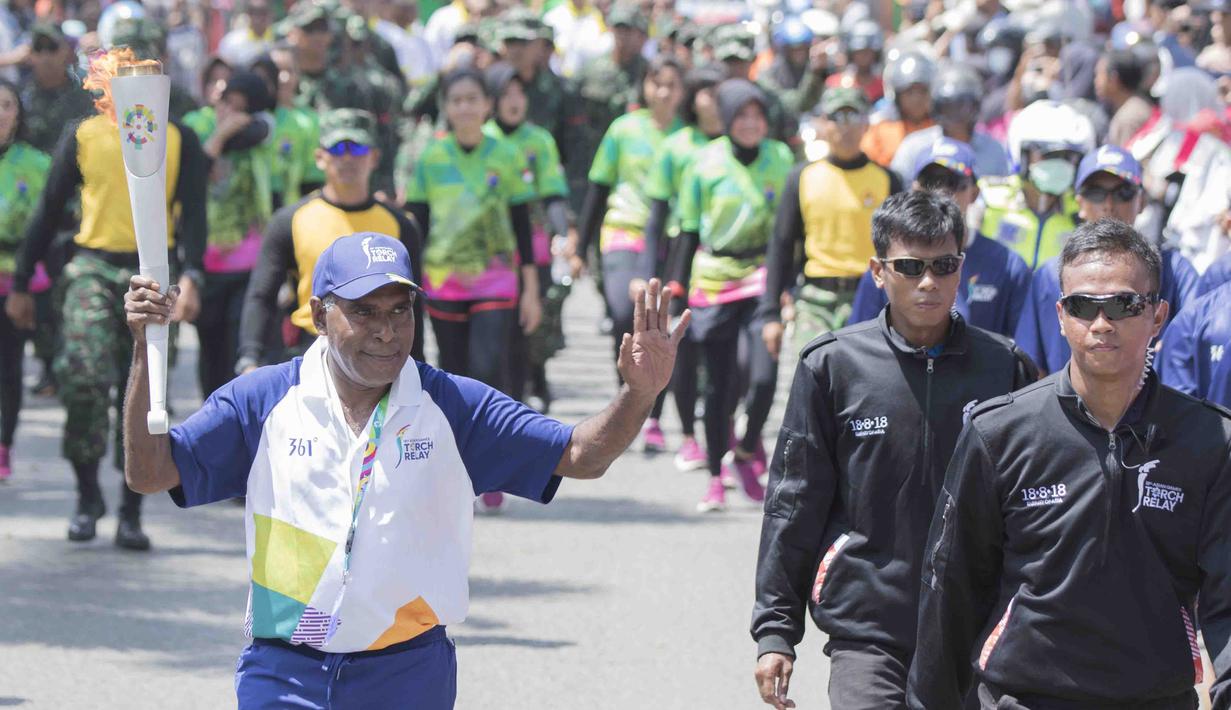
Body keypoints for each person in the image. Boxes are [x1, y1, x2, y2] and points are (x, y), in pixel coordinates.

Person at [121, 233, 690, 709]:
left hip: (406, 674)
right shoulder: (263, 400)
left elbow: (579, 455)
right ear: (320, 314)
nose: (387, 331)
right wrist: (146, 350)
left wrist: (637, 395)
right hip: (284, 672)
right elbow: (150, 473)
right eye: (364, 311)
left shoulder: (453, 408)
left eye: (400, 310)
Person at [907, 219, 1231, 709]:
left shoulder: (1211, 441)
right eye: (1083, 306)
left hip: (1156, 698)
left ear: (1158, 316)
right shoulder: (999, 433)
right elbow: (952, 588)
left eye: (1123, 304)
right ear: (1060, 315)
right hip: (1024, 697)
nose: (1101, 323)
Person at [753, 191, 1037, 710]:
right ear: (878, 272)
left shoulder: (1006, 368)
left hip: (972, 634)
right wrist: (776, 630)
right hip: (867, 627)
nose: (928, 282)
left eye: (943, 265)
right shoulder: (832, 367)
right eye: (909, 266)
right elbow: (794, 503)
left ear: (961, 269)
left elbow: (1030, 508)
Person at [4, 48, 208, 550]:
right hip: (93, 267)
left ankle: (132, 512)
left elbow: (196, 216)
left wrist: (194, 275)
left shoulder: (181, 138)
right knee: (85, 380)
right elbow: (50, 211)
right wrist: (25, 279)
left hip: (152, 273)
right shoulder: (83, 134)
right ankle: (87, 496)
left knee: (142, 391)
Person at [664, 78, 794, 511]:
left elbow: (791, 231)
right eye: (741, 115)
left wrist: (788, 285)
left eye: (757, 115)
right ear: (727, 120)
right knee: (719, 386)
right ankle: (717, 475)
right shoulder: (704, 163)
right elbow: (686, 230)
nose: (751, 123)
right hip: (714, 278)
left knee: (762, 377)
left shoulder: (781, 158)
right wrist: (675, 292)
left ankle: (746, 449)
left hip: (763, 275)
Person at [238, 108, 423, 372]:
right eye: (337, 149)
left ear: (374, 157)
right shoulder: (291, 220)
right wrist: (250, 357)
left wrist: (416, 366)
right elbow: (261, 295)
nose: (347, 158)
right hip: (310, 350)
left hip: (381, 348)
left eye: (357, 149)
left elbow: (414, 305)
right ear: (320, 157)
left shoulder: (400, 225)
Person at [404, 68, 540, 398]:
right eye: (456, 101)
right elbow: (415, 225)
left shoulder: (507, 154)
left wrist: (531, 291)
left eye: (472, 100)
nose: (464, 108)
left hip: (496, 279)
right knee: (452, 371)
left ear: (487, 105)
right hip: (442, 280)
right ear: (446, 107)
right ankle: (456, 445)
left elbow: (523, 225)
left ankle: (490, 444)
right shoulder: (430, 157)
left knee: (487, 368)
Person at [573, 55, 683, 452]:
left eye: (672, 84)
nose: (664, 92)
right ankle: (628, 396)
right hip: (622, 230)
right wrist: (581, 247)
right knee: (624, 312)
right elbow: (598, 188)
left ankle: (653, 416)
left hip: (668, 237)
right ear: (645, 87)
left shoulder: (688, 136)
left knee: (662, 323)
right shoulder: (623, 129)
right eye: (657, 83)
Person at [1015, 145, 1197, 374]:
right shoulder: (1051, 274)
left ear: (1141, 201)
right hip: (1066, 404)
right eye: (1096, 192)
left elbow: (1194, 347)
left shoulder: (1176, 270)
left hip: (1154, 405)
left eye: (1123, 192)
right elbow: (1033, 366)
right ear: (1079, 202)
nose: (1109, 204)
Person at [759, 87, 902, 359]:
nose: (845, 128)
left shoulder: (887, 180)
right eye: (837, 117)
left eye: (854, 117)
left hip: (869, 298)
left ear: (866, 124)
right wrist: (770, 314)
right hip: (815, 300)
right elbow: (781, 245)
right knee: (811, 382)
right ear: (823, 124)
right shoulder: (802, 177)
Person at [850, 138, 1031, 337]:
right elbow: (859, 341)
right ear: (915, 189)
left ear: (974, 192)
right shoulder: (891, 263)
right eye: (931, 182)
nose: (941, 193)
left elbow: (1022, 349)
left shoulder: (1008, 266)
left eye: (953, 183)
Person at [643, 63, 725, 472]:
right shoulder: (676, 146)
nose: (712, 99)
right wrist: (648, 268)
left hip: (729, 260)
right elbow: (657, 214)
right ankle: (690, 434)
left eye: (718, 91)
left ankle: (719, 426)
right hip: (681, 253)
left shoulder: (741, 143)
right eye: (704, 91)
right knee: (686, 347)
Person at [481, 62, 570, 413]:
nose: (515, 101)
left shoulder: (539, 139)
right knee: (499, 331)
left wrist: (562, 232)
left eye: (520, 93)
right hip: (490, 254)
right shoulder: (481, 138)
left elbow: (553, 194)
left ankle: (536, 380)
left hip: (533, 247)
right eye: (506, 94)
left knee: (532, 323)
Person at [184, 71, 276, 399]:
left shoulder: (263, 128)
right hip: (208, 262)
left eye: (240, 108)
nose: (232, 114)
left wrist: (232, 130)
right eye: (227, 104)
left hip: (249, 263)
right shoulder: (196, 126)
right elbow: (194, 173)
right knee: (210, 351)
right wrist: (220, 135)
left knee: (242, 350)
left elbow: (259, 131)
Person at [0, 80, 50, 481]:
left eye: (6, 105)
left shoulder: (35, 164)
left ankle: (3, 444)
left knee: (8, 367)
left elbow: (49, 224)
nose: (0, 113)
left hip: (15, 283)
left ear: (18, 113)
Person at [975, 99, 1092, 270]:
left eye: (1067, 158)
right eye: (1049, 155)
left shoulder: (1082, 214)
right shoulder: (986, 199)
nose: (1060, 165)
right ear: (1022, 154)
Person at [890, 62, 1012, 185]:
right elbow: (897, 191)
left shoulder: (993, 149)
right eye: (949, 107)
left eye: (963, 106)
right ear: (937, 108)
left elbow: (1007, 192)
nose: (956, 116)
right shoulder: (914, 147)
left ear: (975, 107)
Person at [862, 50, 934, 168]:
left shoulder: (941, 129)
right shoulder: (880, 130)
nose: (917, 99)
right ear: (897, 96)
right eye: (909, 92)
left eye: (922, 91)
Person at [1096, 48, 1155, 148]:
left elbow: (1126, 161)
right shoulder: (1137, 105)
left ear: (1114, 79)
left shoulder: (1128, 118)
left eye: (1099, 74)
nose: (1096, 80)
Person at [216, 0, 274, 69]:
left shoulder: (276, 40)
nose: (260, 19)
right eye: (255, 13)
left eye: (264, 13)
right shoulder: (232, 41)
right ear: (248, 15)